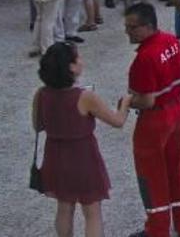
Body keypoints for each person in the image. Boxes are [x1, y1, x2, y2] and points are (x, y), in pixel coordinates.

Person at [32, 43, 132, 237]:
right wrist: (125, 103)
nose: (81, 61)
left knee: (64, 207)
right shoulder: (86, 97)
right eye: (78, 58)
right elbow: (117, 121)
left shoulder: (41, 94)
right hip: (83, 157)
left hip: (55, 156)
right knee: (92, 212)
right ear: (70, 67)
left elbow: (38, 126)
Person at [124, 3, 180, 237]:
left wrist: (125, 102)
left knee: (152, 176)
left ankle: (158, 230)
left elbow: (147, 101)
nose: (128, 32)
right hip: (177, 111)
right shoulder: (171, 41)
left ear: (147, 26)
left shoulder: (144, 59)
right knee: (177, 169)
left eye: (132, 28)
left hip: (154, 121)